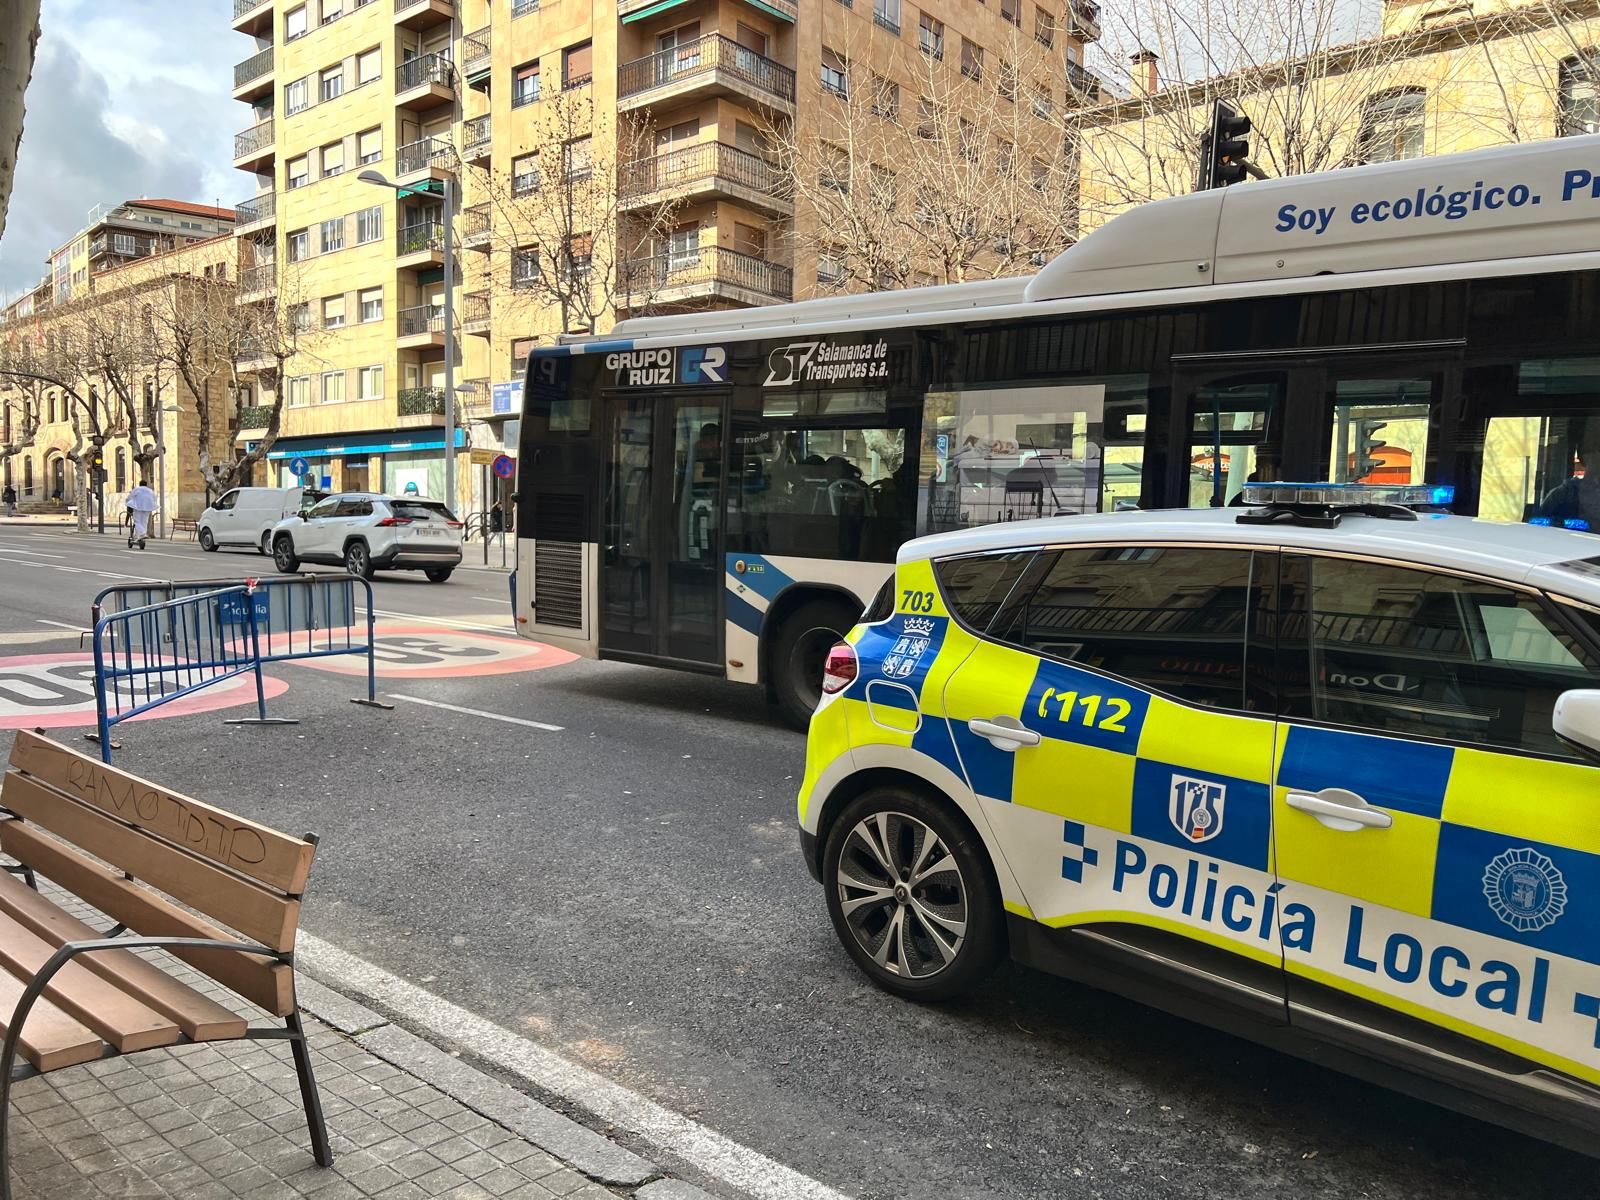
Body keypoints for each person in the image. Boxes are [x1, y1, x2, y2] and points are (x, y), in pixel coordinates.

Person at [1536, 432, 1600, 531]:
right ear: (1583, 457)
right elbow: (1537, 528)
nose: (1597, 457)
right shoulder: (1561, 495)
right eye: (1594, 451)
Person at [124, 477, 158, 550]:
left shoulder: (137, 489)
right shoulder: (150, 491)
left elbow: (130, 497)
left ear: (140, 484)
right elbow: (155, 498)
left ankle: (142, 534)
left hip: (138, 507)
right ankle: (140, 535)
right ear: (146, 485)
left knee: (137, 521)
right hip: (148, 508)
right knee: (144, 522)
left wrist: (128, 503)